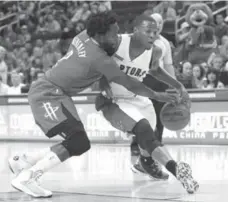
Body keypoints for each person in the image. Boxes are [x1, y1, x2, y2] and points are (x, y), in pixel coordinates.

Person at [8, 11, 178, 198]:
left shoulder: (83, 36)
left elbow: (111, 47)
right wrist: (156, 95)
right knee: (78, 141)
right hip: (47, 94)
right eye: (113, 34)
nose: (116, 38)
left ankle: (23, 160)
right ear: (100, 35)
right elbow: (129, 83)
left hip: (59, 92)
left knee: (79, 142)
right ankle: (28, 177)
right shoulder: (100, 60)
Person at [95, 14, 198, 194]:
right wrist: (101, 80)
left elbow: (156, 70)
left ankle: (145, 162)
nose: (153, 35)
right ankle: (177, 170)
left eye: (155, 31)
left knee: (150, 139)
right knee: (143, 130)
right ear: (135, 31)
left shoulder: (156, 50)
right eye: (148, 31)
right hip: (114, 101)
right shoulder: (117, 43)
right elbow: (95, 60)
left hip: (138, 97)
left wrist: (179, 86)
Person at [130, 13, 177, 179]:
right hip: (143, 83)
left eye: (160, 22)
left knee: (159, 123)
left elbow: (169, 65)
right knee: (143, 123)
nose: (157, 25)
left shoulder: (164, 43)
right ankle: (141, 159)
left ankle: (148, 162)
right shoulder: (138, 41)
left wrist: (174, 86)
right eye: (154, 22)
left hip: (160, 84)